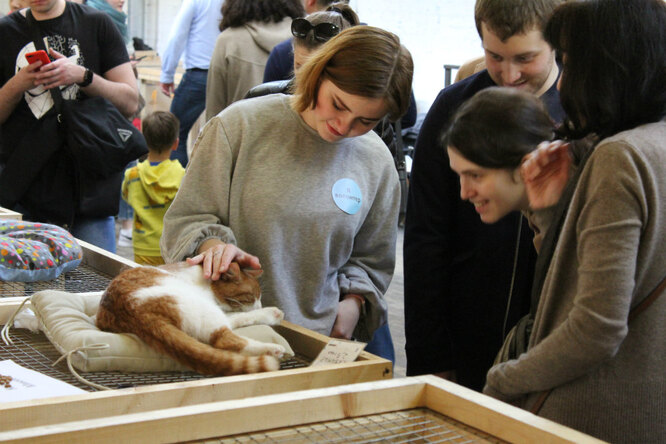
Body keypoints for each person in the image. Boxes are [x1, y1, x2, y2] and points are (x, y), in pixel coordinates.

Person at [162, 26, 413, 360]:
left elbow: (371, 259)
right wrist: (213, 247)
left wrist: (354, 303)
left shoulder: (376, 161)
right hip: (226, 336)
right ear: (317, 73)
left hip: (314, 345)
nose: (344, 125)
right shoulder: (238, 127)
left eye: (365, 121)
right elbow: (185, 221)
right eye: (337, 104)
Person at [484, 1, 666, 442]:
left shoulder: (621, 156)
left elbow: (596, 327)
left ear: (605, 66)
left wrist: (504, 378)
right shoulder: (653, 141)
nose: (563, 80)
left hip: (590, 411)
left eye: (567, 62)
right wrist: (549, 212)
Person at [403, 0, 565, 392]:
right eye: (494, 56)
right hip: (465, 331)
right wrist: (430, 355)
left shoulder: (586, 112)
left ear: (557, 42)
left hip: (550, 338)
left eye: (525, 58)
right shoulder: (454, 106)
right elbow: (425, 237)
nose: (509, 74)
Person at [0, 0, 139, 252]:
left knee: (97, 286)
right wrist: (18, 84)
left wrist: (83, 76)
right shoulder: (5, 32)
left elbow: (130, 102)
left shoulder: (97, 23)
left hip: (89, 185)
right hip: (24, 189)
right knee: (27, 289)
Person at [204, 0, 303, 122]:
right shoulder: (302, 38)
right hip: (289, 135)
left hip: (238, 134)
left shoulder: (228, 41)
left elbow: (214, 109)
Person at [159, 0, 223, 167]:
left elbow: (177, 36)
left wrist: (167, 73)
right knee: (223, 134)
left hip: (198, 74)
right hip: (226, 71)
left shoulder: (196, 2)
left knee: (175, 132)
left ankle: (176, 187)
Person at [122, 111, 184, 266]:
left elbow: (126, 196)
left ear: (144, 140)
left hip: (142, 247)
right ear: (175, 143)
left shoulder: (132, 174)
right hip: (172, 246)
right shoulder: (182, 176)